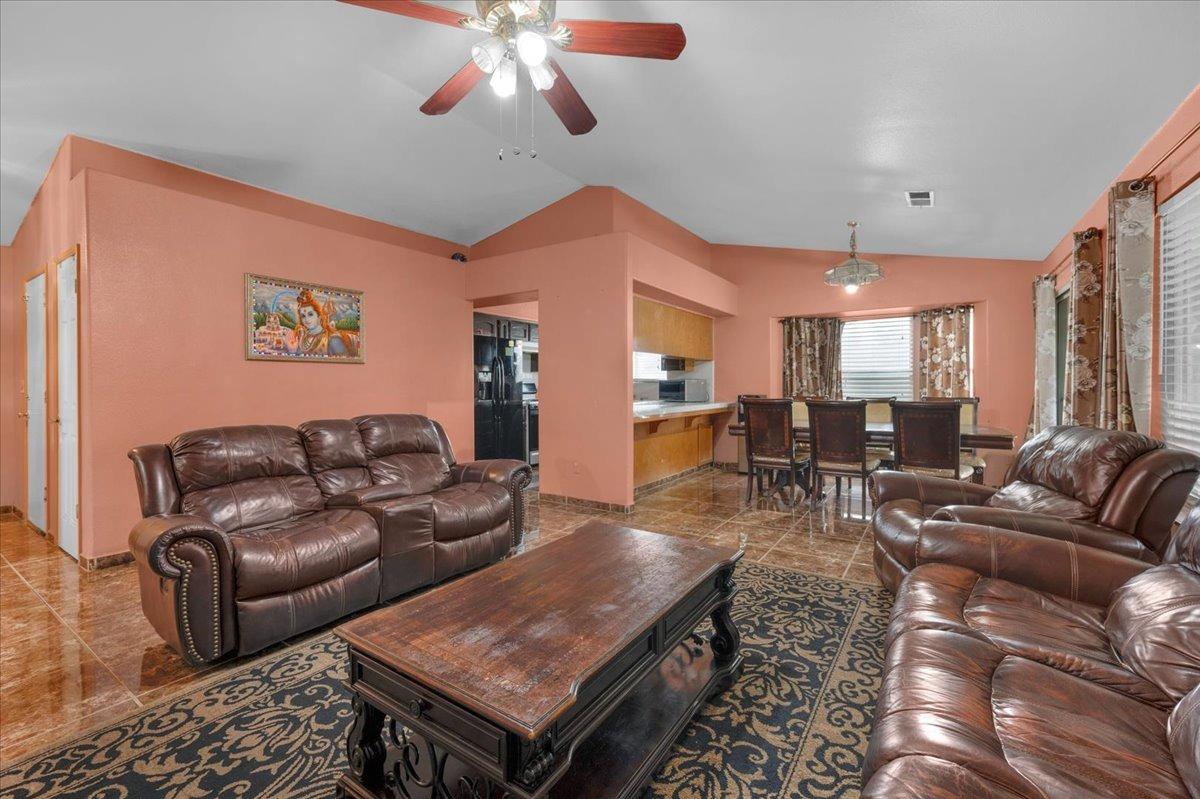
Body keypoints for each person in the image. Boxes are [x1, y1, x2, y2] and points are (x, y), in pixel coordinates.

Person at [290, 288, 360, 358]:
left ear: (319, 316)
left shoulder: (333, 339)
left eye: (310, 314)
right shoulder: (302, 338)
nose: (306, 319)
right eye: (303, 316)